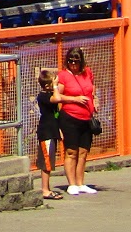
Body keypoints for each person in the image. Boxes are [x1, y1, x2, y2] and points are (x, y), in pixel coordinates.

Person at [53, 47, 99, 194]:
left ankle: (80, 183)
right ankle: (71, 184)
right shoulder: (63, 75)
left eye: (76, 61)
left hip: (86, 117)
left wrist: (95, 100)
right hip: (70, 117)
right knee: (71, 151)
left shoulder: (87, 72)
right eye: (71, 61)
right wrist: (75, 99)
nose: (73, 64)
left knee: (83, 151)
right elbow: (57, 96)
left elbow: (92, 88)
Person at [35, 68, 64, 199]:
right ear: (47, 86)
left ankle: (47, 188)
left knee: (50, 161)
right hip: (46, 132)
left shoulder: (49, 94)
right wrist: (56, 86)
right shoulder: (43, 96)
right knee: (46, 163)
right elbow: (58, 98)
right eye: (52, 84)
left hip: (53, 131)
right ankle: (45, 190)